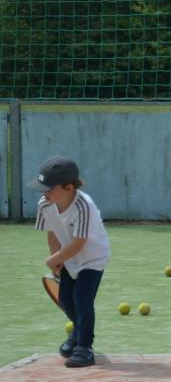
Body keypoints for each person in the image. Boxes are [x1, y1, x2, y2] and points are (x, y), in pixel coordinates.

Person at [30, 156, 111, 368]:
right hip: (68, 256)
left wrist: (53, 260)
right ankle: (77, 332)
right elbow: (52, 232)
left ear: (69, 187)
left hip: (93, 258)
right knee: (66, 300)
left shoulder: (84, 206)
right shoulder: (44, 204)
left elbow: (79, 243)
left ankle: (84, 347)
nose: (44, 192)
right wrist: (57, 260)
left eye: (49, 188)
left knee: (82, 300)